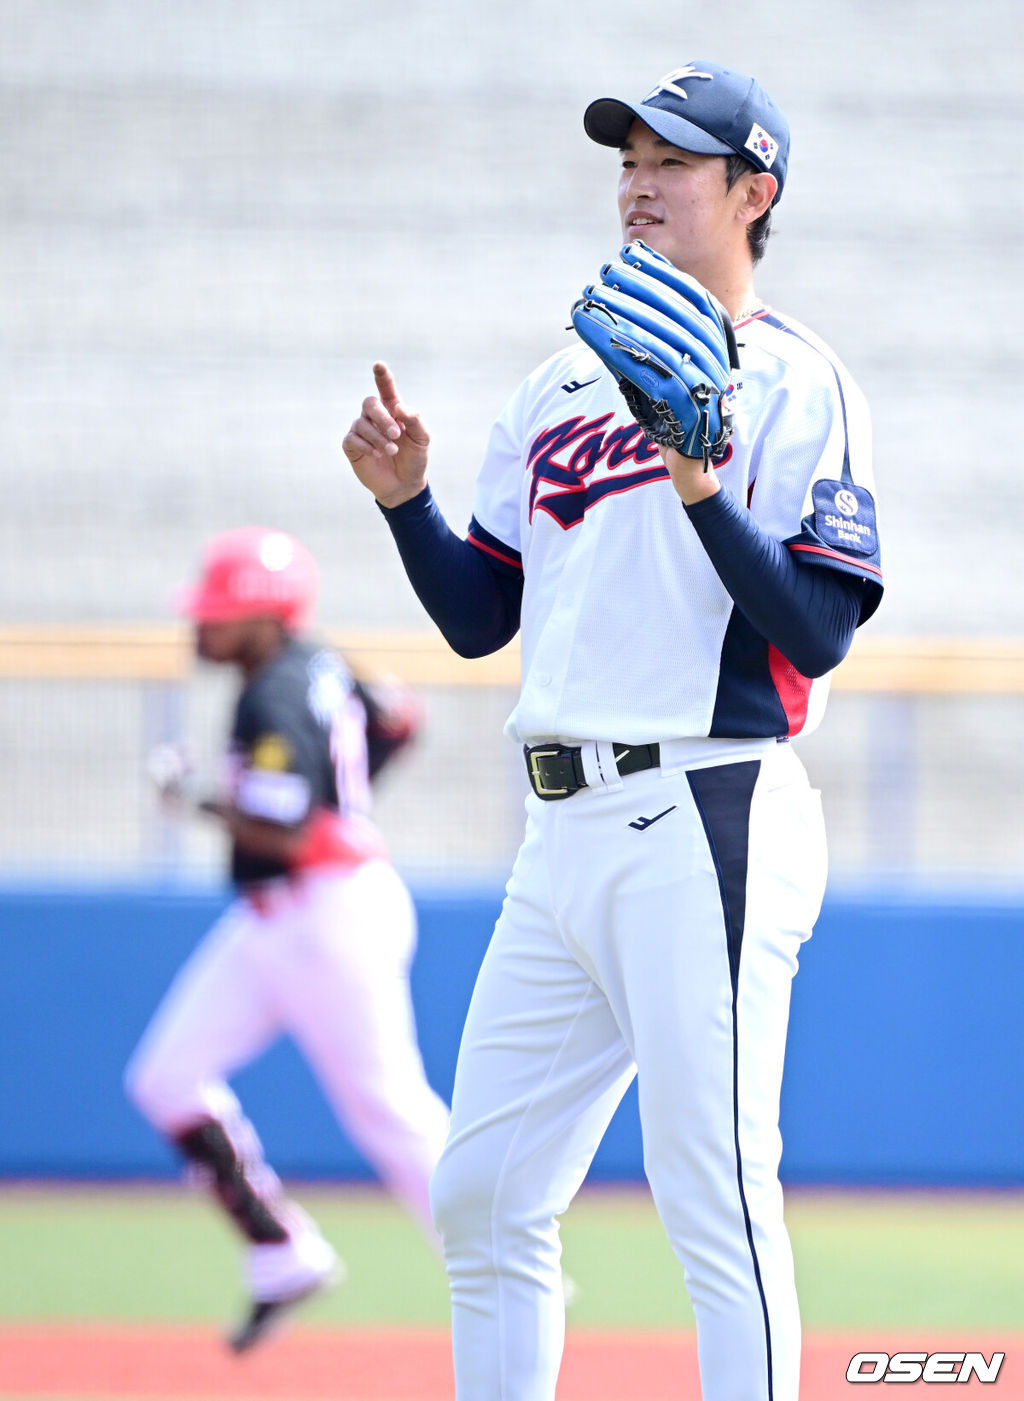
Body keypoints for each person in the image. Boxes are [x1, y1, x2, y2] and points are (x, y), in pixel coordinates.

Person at [343, 59, 882, 1401]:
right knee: (483, 1192)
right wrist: (407, 504)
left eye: (674, 162)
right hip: (562, 831)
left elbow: (815, 629)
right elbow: (483, 621)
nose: (639, 184)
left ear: (755, 192)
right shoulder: (559, 388)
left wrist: (702, 482)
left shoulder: (799, 382)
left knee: (713, 1190)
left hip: (707, 806)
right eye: (627, 161)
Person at [124, 526, 450, 1353]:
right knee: (166, 1077)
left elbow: (283, 826)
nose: (201, 625)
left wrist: (194, 796)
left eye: (219, 612)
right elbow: (401, 719)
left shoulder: (272, 691)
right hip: (285, 913)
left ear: (266, 618)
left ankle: (503, 1262)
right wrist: (347, 799)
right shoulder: (322, 662)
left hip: (326, 910)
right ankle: (281, 1251)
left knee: (390, 1110)